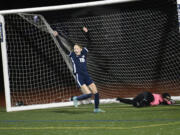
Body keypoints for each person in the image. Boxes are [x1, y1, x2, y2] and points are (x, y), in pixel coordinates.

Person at [53, 27, 105, 113]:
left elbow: (90, 42)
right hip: (79, 76)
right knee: (88, 94)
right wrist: (57, 37)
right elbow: (62, 47)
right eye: (74, 48)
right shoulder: (72, 55)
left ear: (81, 49)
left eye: (77, 48)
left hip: (86, 75)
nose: (75, 49)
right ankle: (75, 98)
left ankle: (96, 109)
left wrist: (87, 33)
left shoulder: (84, 52)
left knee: (96, 92)